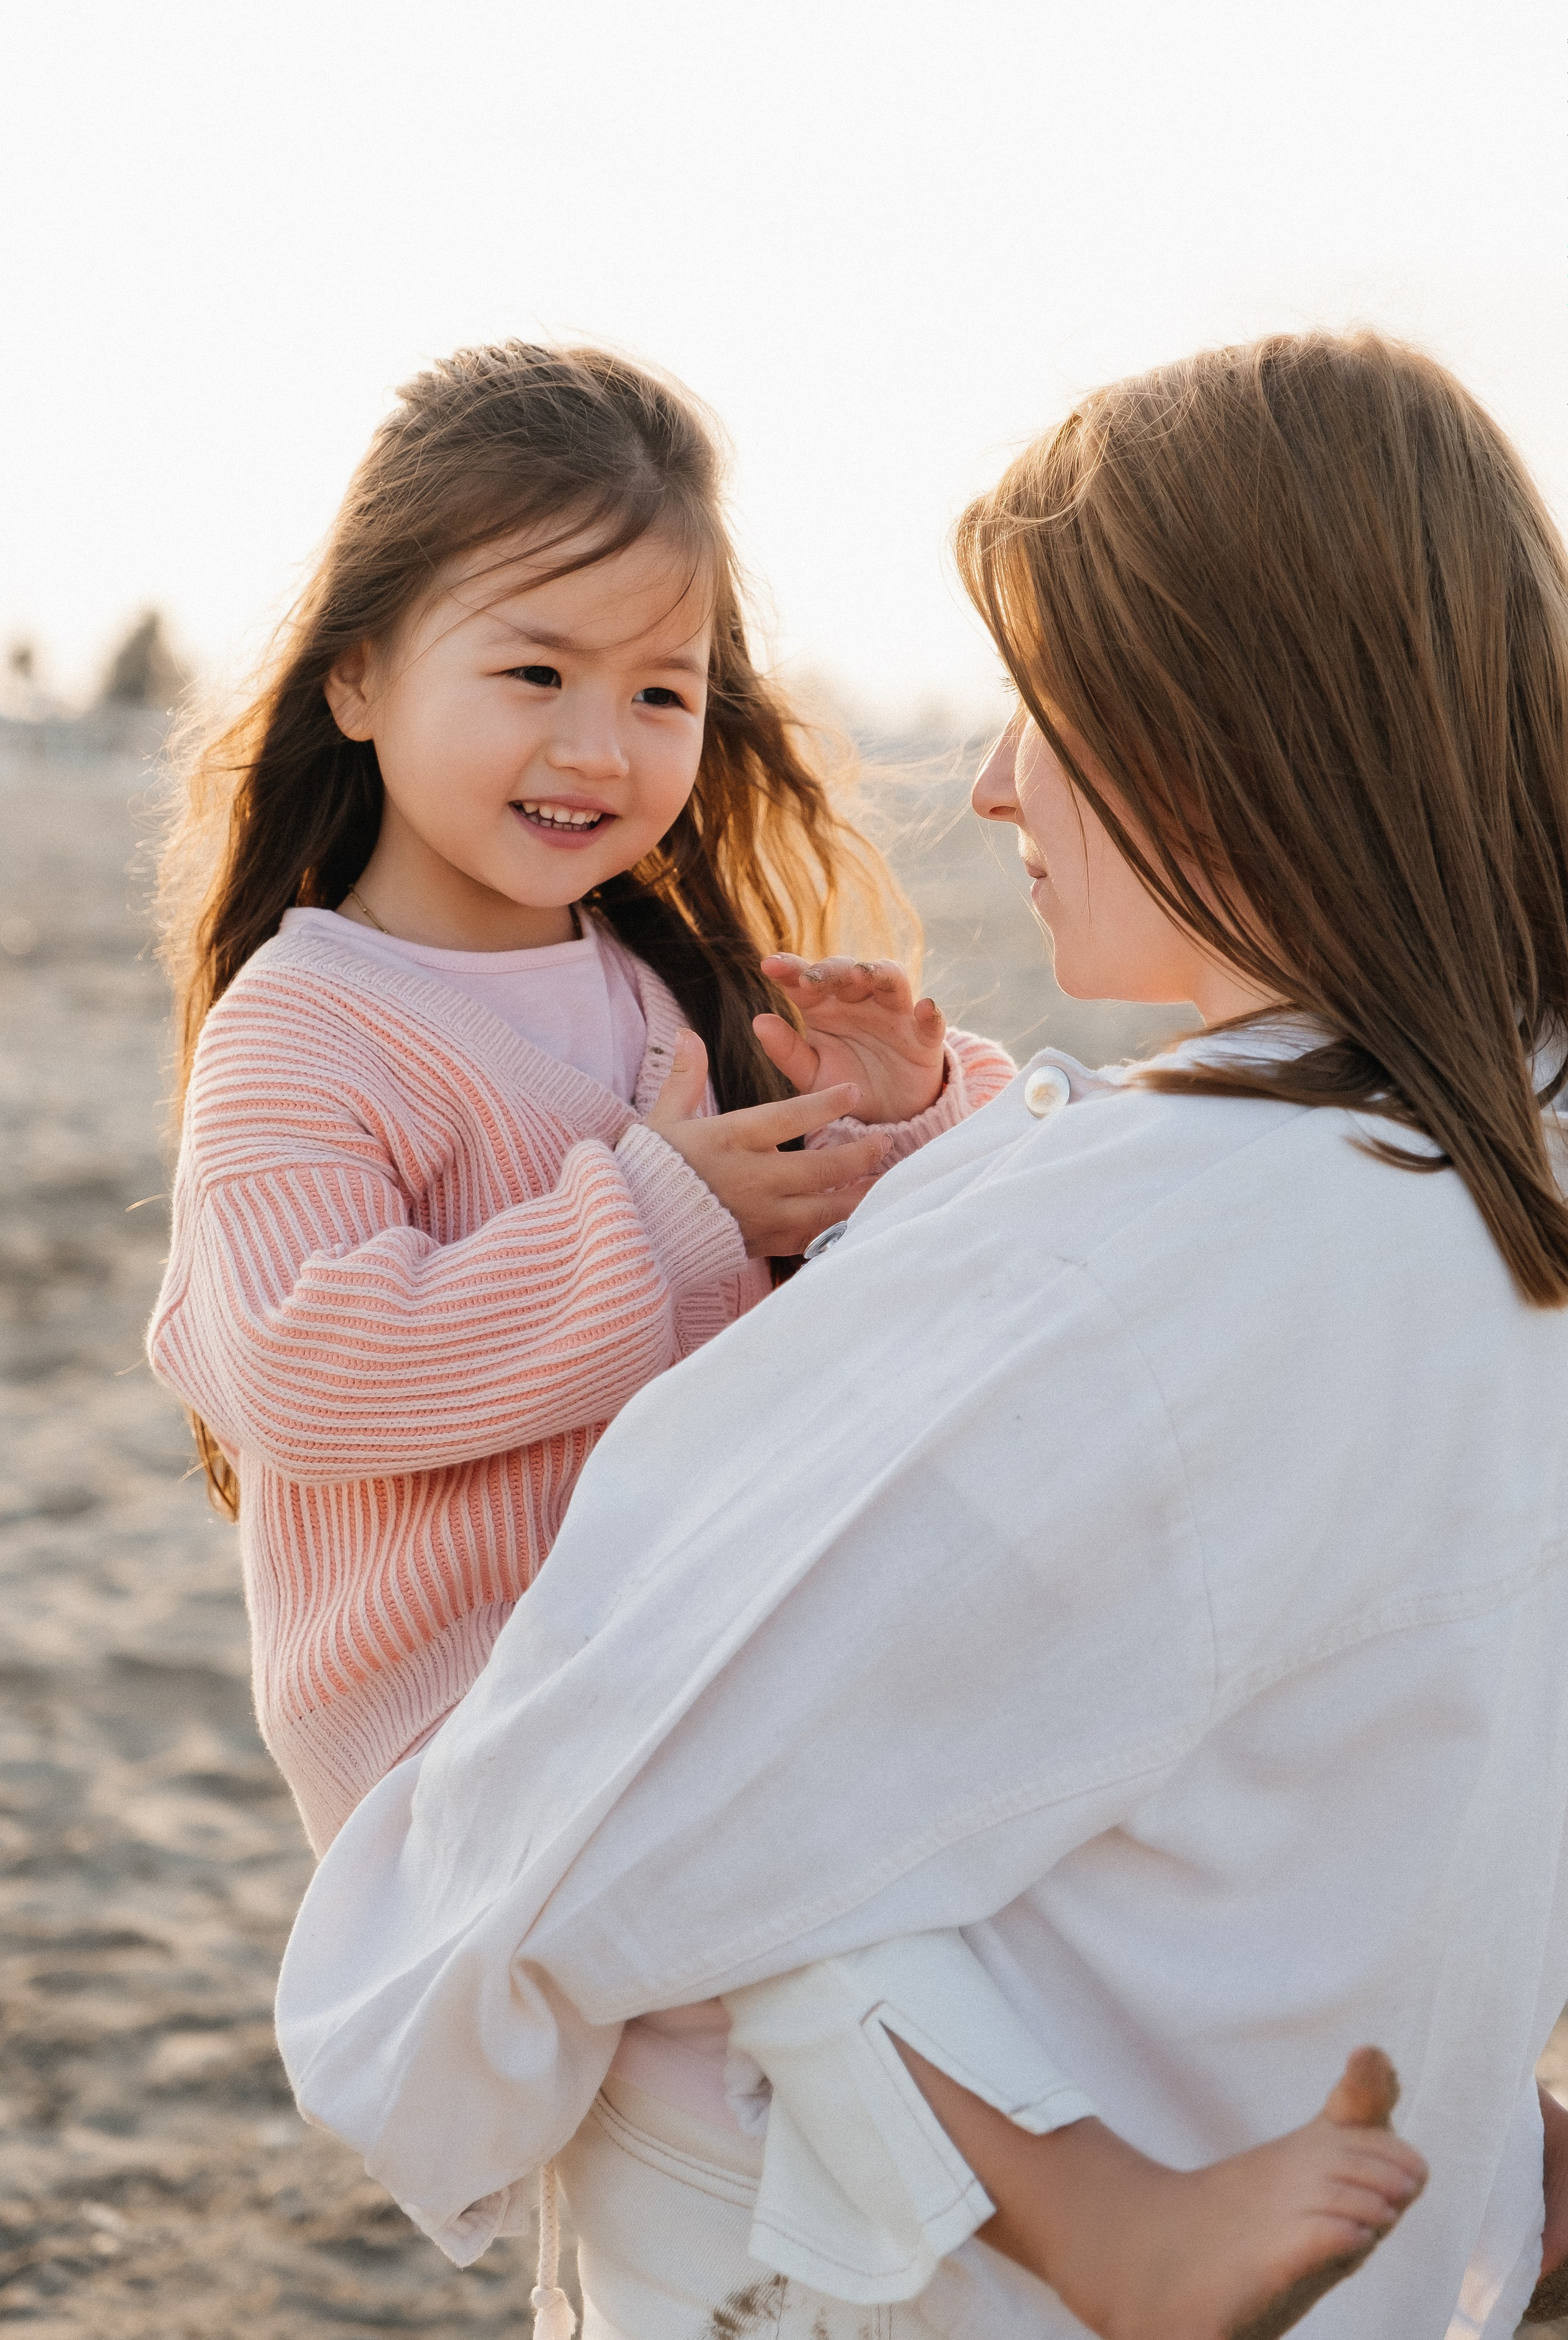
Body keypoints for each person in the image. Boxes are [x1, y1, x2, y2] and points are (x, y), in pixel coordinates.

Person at [272, 328, 1568, 2339]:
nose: (985, 782)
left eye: (1043, 708)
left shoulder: (1155, 1252)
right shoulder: (1490, 1163)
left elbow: (607, 1836)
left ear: (1228, 728)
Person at [146, 341, 1016, 1851]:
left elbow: (928, 1283)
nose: (595, 747)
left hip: (705, 1684)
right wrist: (671, 1216)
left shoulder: (676, 981)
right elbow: (309, 1371)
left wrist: (895, 1112)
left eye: (659, 692)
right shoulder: (306, 1026)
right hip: (478, 1757)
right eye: (534, 672)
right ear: (357, 674)